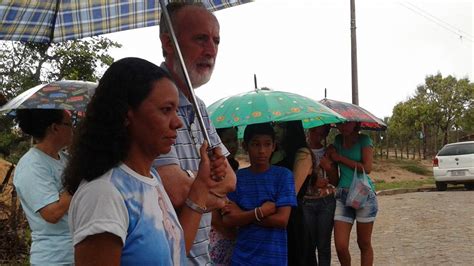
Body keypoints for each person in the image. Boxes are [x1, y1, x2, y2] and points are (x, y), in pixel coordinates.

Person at [63, 57, 227, 265]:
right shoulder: (104, 195)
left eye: (176, 110)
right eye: (166, 110)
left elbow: (174, 253)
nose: (177, 122)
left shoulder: (151, 179)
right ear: (126, 114)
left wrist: (201, 184)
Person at [155, 2, 236, 264]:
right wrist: (208, 187)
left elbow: (230, 181)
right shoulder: (150, 101)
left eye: (216, 41)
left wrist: (196, 187)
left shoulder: (200, 107)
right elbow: (176, 192)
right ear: (169, 43)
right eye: (200, 38)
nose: (211, 50)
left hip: (202, 256)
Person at [222, 123, 297, 266]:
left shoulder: (283, 176)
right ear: (245, 145)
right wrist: (260, 212)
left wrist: (243, 215)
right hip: (242, 258)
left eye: (267, 144)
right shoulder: (236, 178)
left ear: (274, 146)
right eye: (256, 144)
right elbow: (228, 220)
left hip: (273, 258)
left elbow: (282, 220)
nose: (262, 150)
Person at [13, 108, 74, 265]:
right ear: (55, 128)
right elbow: (52, 213)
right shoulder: (32, 165)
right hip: (55, 259)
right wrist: (77, 182)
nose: (73, 128)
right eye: (69, 124)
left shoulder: (65, 159)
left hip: (75, 253)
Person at [326, 121, 378, 266]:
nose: (343, 126)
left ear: (355, 123)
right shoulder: (337, 140)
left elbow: (367, 168)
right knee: (341, 246)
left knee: (364, 243)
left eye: (347, 123)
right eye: (340, 123)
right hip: (343, 195)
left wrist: (340, 158)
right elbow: (333, 169)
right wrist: (330, 155)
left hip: (363, 194)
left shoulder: (364, 140)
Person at [303, 124, 339, 266]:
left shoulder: (329, 153)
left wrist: (329, 167)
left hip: (327, 202)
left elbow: (335, 181)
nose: (318, 136)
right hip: (307, 202)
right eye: (315, 132)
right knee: (309, 245)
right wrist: (313, 182)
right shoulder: (302, 152)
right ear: (310, 130)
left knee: (324, 246)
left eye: (322, 133)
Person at [210, 127, 239, 265]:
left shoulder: (234, 166)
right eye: (227, 141)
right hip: (219, 235)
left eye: (235, 139)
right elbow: (213, 216)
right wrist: (233, 235)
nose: (233, 145)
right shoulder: (214, 168)